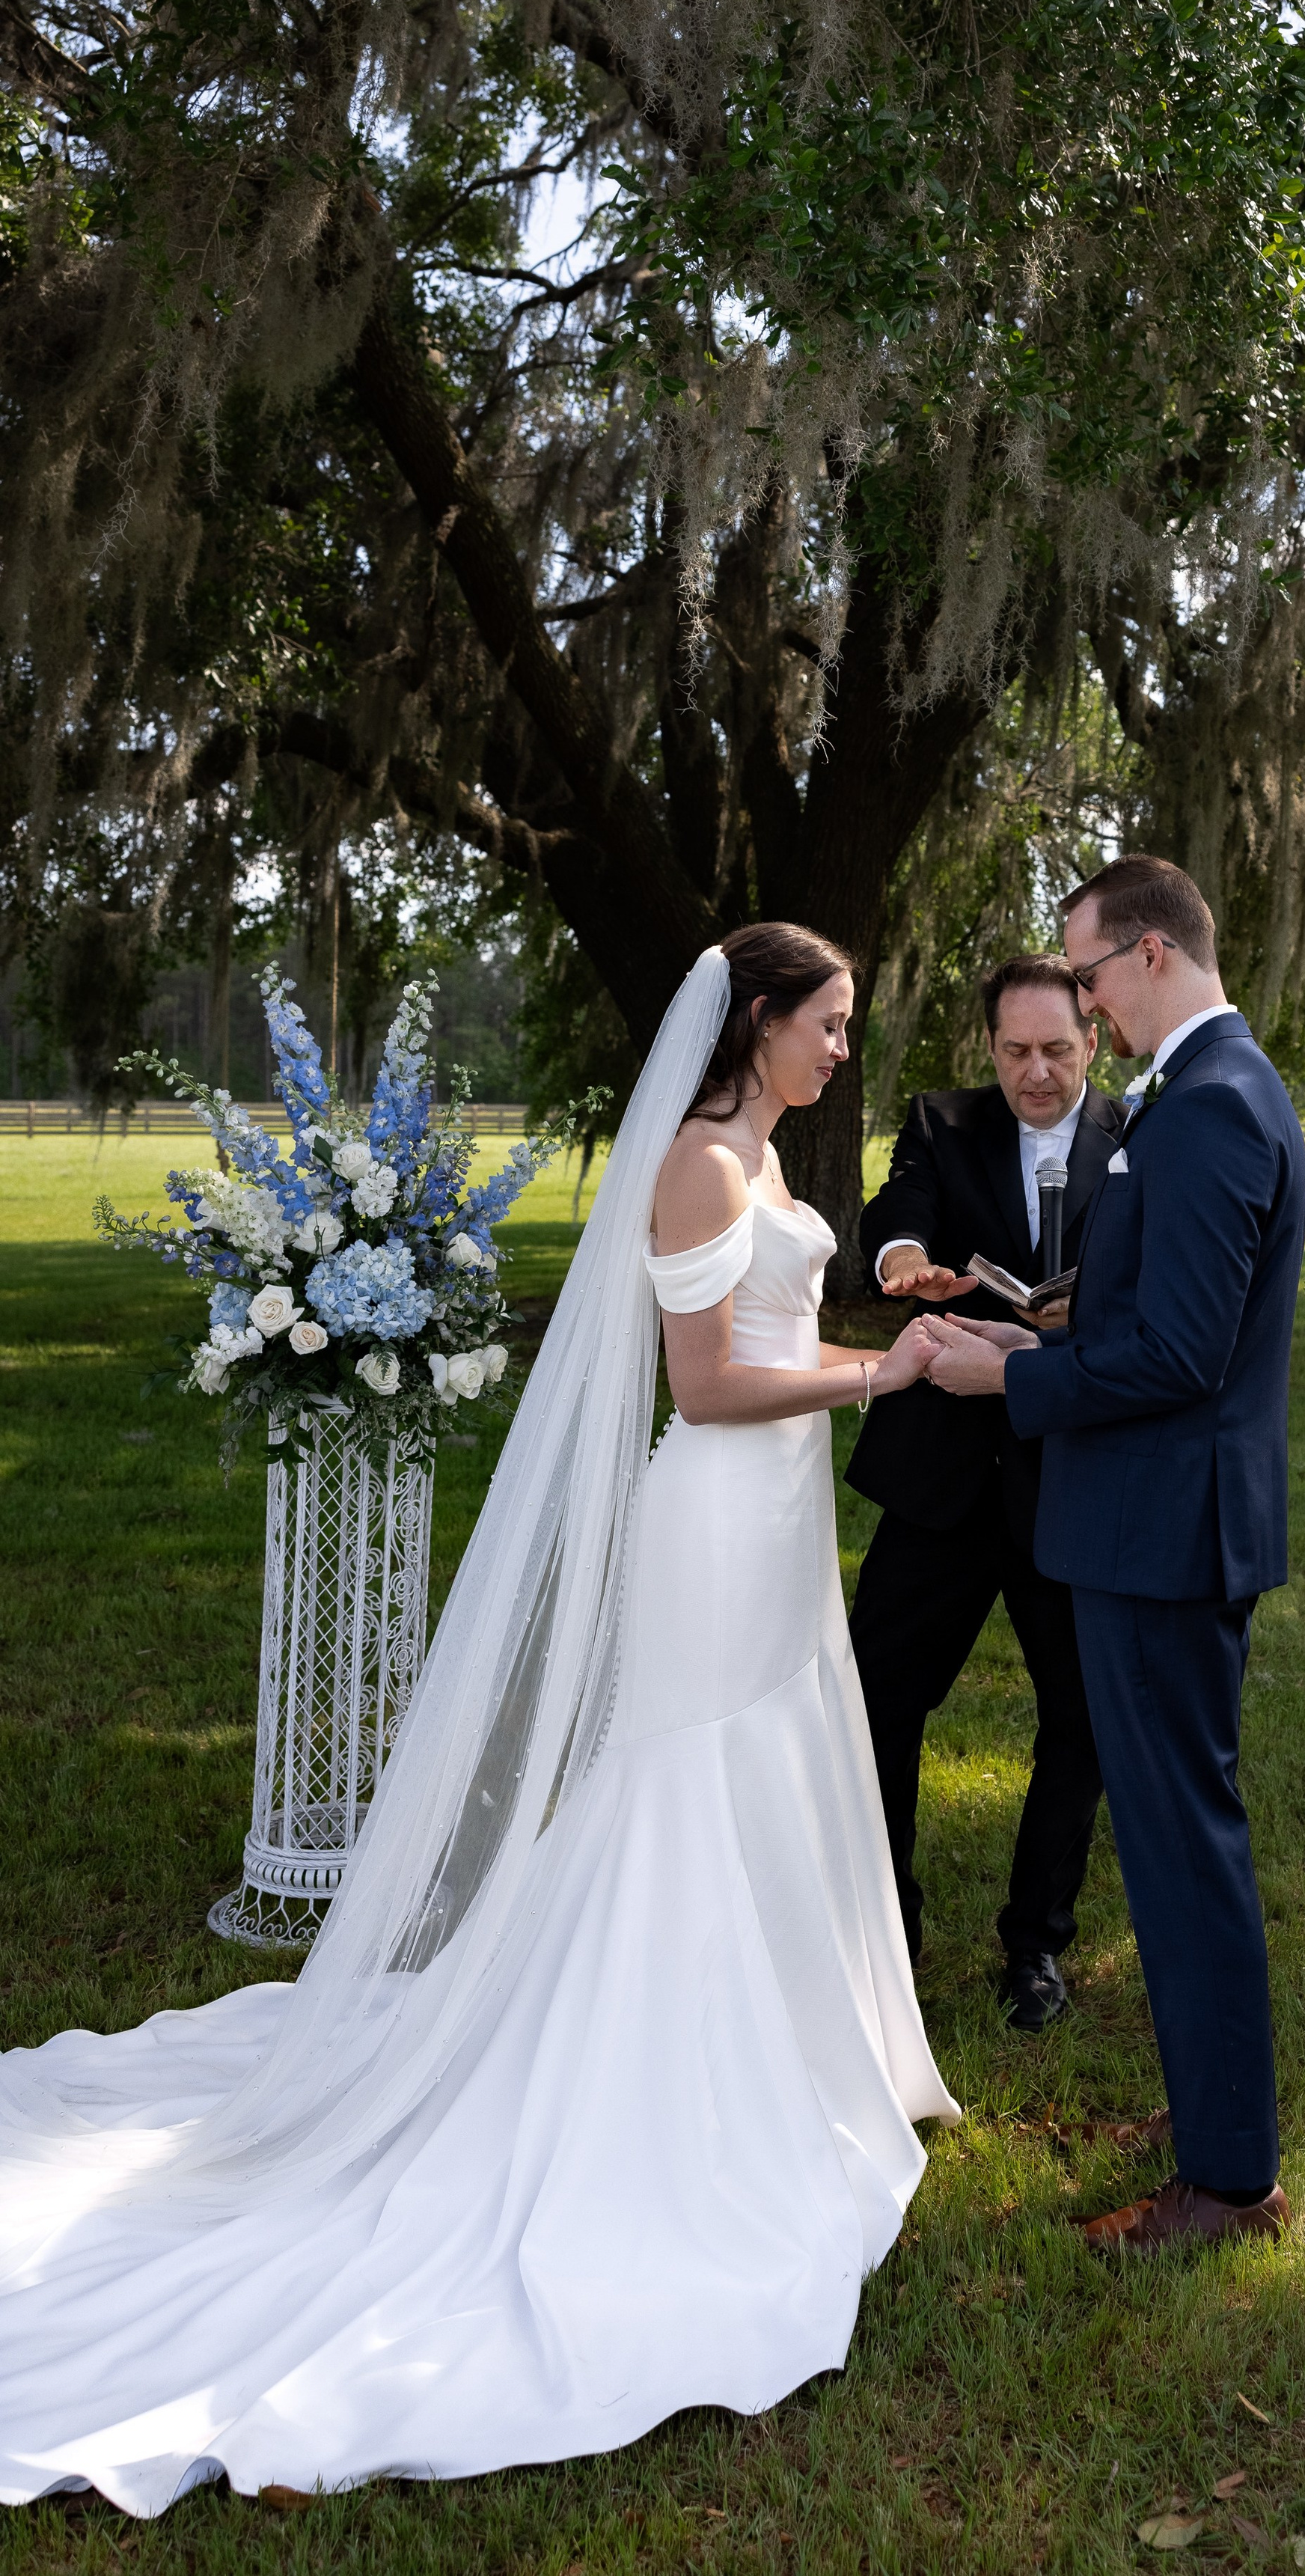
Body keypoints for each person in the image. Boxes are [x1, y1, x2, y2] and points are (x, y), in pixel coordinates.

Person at [0, 926, 958, 2516]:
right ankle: (673, 2080)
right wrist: (889, 1375)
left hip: (776, 1533)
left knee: (775, 1767)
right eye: (832, 1023)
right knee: (689, 1790)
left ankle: (802, 2054)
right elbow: (710, 1389)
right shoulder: (700, 1169)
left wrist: (888, 1302)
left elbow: (783, 1317)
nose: (845, 1048)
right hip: (717, 1527)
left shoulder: (758, 1162)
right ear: (761, 1023)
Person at [921, 855, 1305, 2253]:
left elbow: (1185, 1356)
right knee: (1164, 1845)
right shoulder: (1208, 1091)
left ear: (1146, 954)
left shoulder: (1208, 1106)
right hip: (1154, 1520)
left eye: (1084, 977)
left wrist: (1010, 1386)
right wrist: (1036, 1333)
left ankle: (1227, 2181)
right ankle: (1211, 2117)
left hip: (1163, 1534)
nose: (1080, 1002)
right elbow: (1150, 1320)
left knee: (1186, 1847)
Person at [846, 956, 1123, 2027]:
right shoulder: (942, 1121)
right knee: (877, 1703)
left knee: (1084, 1717)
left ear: (1092, 1039)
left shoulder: (1141, 1135)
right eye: (1016, 1052)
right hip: (943, 1477)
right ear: (990, 1049)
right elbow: (895, 1210)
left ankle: (1036, 1943)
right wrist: (906, 1260)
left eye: (1058, 1049)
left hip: (1075, 1476)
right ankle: (886, 1929)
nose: (1038, 1072)